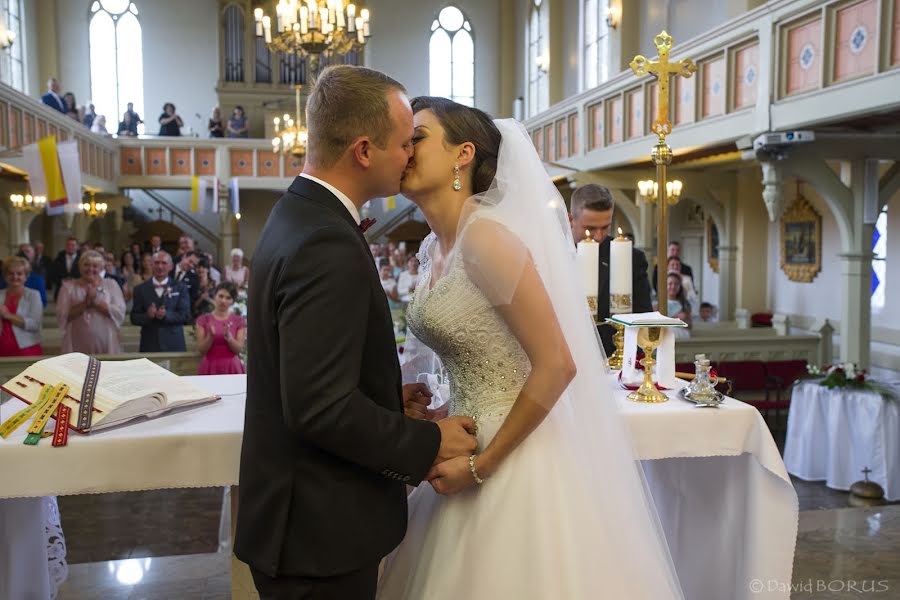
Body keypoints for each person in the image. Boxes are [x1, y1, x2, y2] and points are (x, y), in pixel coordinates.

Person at [376, 97, 684, 599]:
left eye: (420, 136)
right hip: (464, 440)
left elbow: (557, 364)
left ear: (463, 154)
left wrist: (482, 465)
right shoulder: (436, 247)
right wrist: (440, 409)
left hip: (514, 456)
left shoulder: (486, 241)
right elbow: (483, 355)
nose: (406, 147)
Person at [234, 65, 478, 599]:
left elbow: (307, 374)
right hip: (315, 535)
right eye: (402, 144)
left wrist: (386, 398)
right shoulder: (325, 242)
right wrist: (429, 441)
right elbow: (320, 408)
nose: (409, 155)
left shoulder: (296, 213)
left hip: (302, 521)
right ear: (364, 151)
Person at [568, 183, 653, 355]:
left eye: (605, 227)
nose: (599, 236)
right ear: (571, 220)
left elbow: (641, 319)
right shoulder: (552, 253)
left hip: (611, 357)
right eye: (590, 229)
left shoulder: (631, 258)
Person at [56, 250, 126, 354]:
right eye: (86, 265)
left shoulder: (111, 285)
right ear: (80, 266)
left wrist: (95, 301)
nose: (90, 269)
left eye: (95, 266)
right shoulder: (68, 287)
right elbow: (63, 315)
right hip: (76, 342)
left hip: (107, 342)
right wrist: (85, 303)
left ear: (101, 268)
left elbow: (119, 313)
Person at [131, 251, 192, 352]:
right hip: (149, 344)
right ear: (151, 265)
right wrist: (147, 315)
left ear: (171, 266)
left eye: (164, 263)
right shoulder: (140, 289)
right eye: (156, 263)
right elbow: (134, 317)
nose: (160, 266)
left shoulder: (180, 287)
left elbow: (185, 315)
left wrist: (166, 315)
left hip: (174, 343)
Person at [196, 281, 246, 375]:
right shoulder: (203, 320)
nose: (223, 301)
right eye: (221, 296)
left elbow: (238, 349)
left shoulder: (238, 320)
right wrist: (210, 337)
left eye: (228, 298)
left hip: (231, 367)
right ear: (215, 296)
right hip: (209, 366)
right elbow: (201, 350)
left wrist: (230, 338)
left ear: (233, 301)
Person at [0, 256, 43, 356]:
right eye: (11, 273)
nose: (15, 277)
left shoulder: (33, 295)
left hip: (27, 348)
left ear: (26, 276)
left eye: (19, 274)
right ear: (5, 275)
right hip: (2, 348)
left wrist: (8, 315)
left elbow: (34, 325)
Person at [51, 237, 80, 301]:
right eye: (68, 245)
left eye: (73, 245)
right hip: (61, 289)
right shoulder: (58, 259)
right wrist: (62, 280)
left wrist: (75, 280)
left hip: (77, 290)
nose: (70, 247)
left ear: (77, 247)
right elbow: (53, 274)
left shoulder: (81, 259)